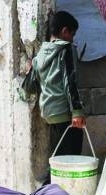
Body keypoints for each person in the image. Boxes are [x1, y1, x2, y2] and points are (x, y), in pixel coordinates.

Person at [32, 10, 86, 158]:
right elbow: (70, 81)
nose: (72, 39)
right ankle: (50, 181)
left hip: (49, 111)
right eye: (72, 35)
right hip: (64, 112)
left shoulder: (42, 52)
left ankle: (51, 180)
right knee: (70, 157)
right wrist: (77, 111)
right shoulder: (66, 49)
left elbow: (35, 80)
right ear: (64, 31)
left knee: (59, 152)